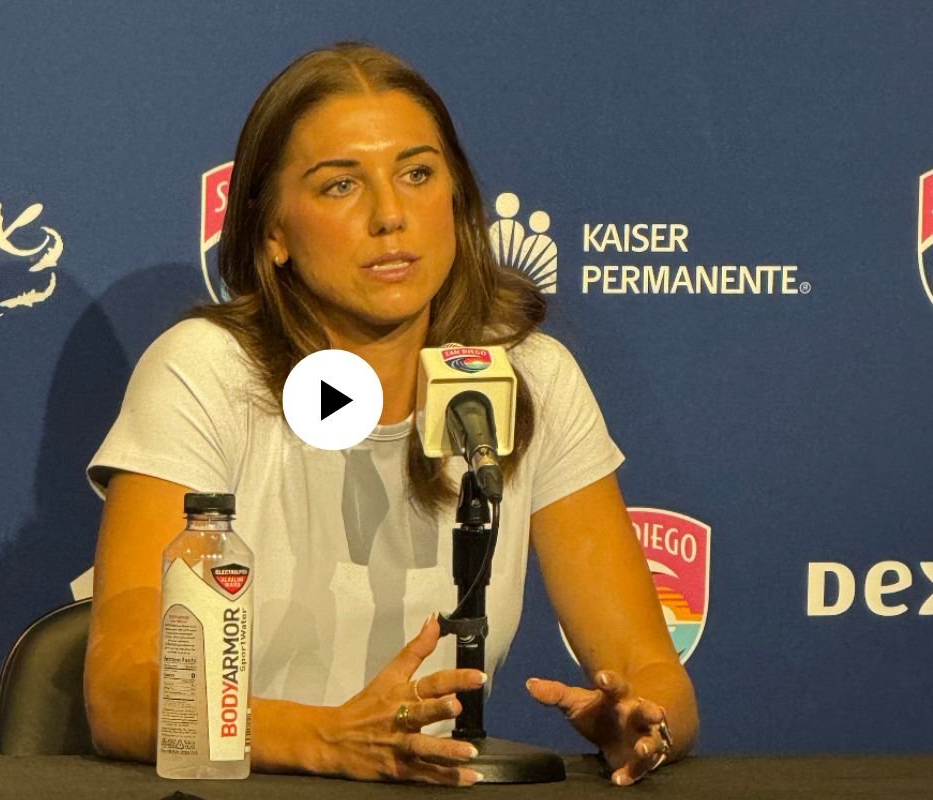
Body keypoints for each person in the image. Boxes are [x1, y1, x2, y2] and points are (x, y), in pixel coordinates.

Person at [83, 42, 698, 788]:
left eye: (416, 174)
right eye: (341, 186)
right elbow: (121, 691)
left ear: (457, 200)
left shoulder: (530, 376)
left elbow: (651, 671)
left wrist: (640, 721)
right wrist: (325, 739)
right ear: (271, 231)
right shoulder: (206, 372)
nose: (390, 216)